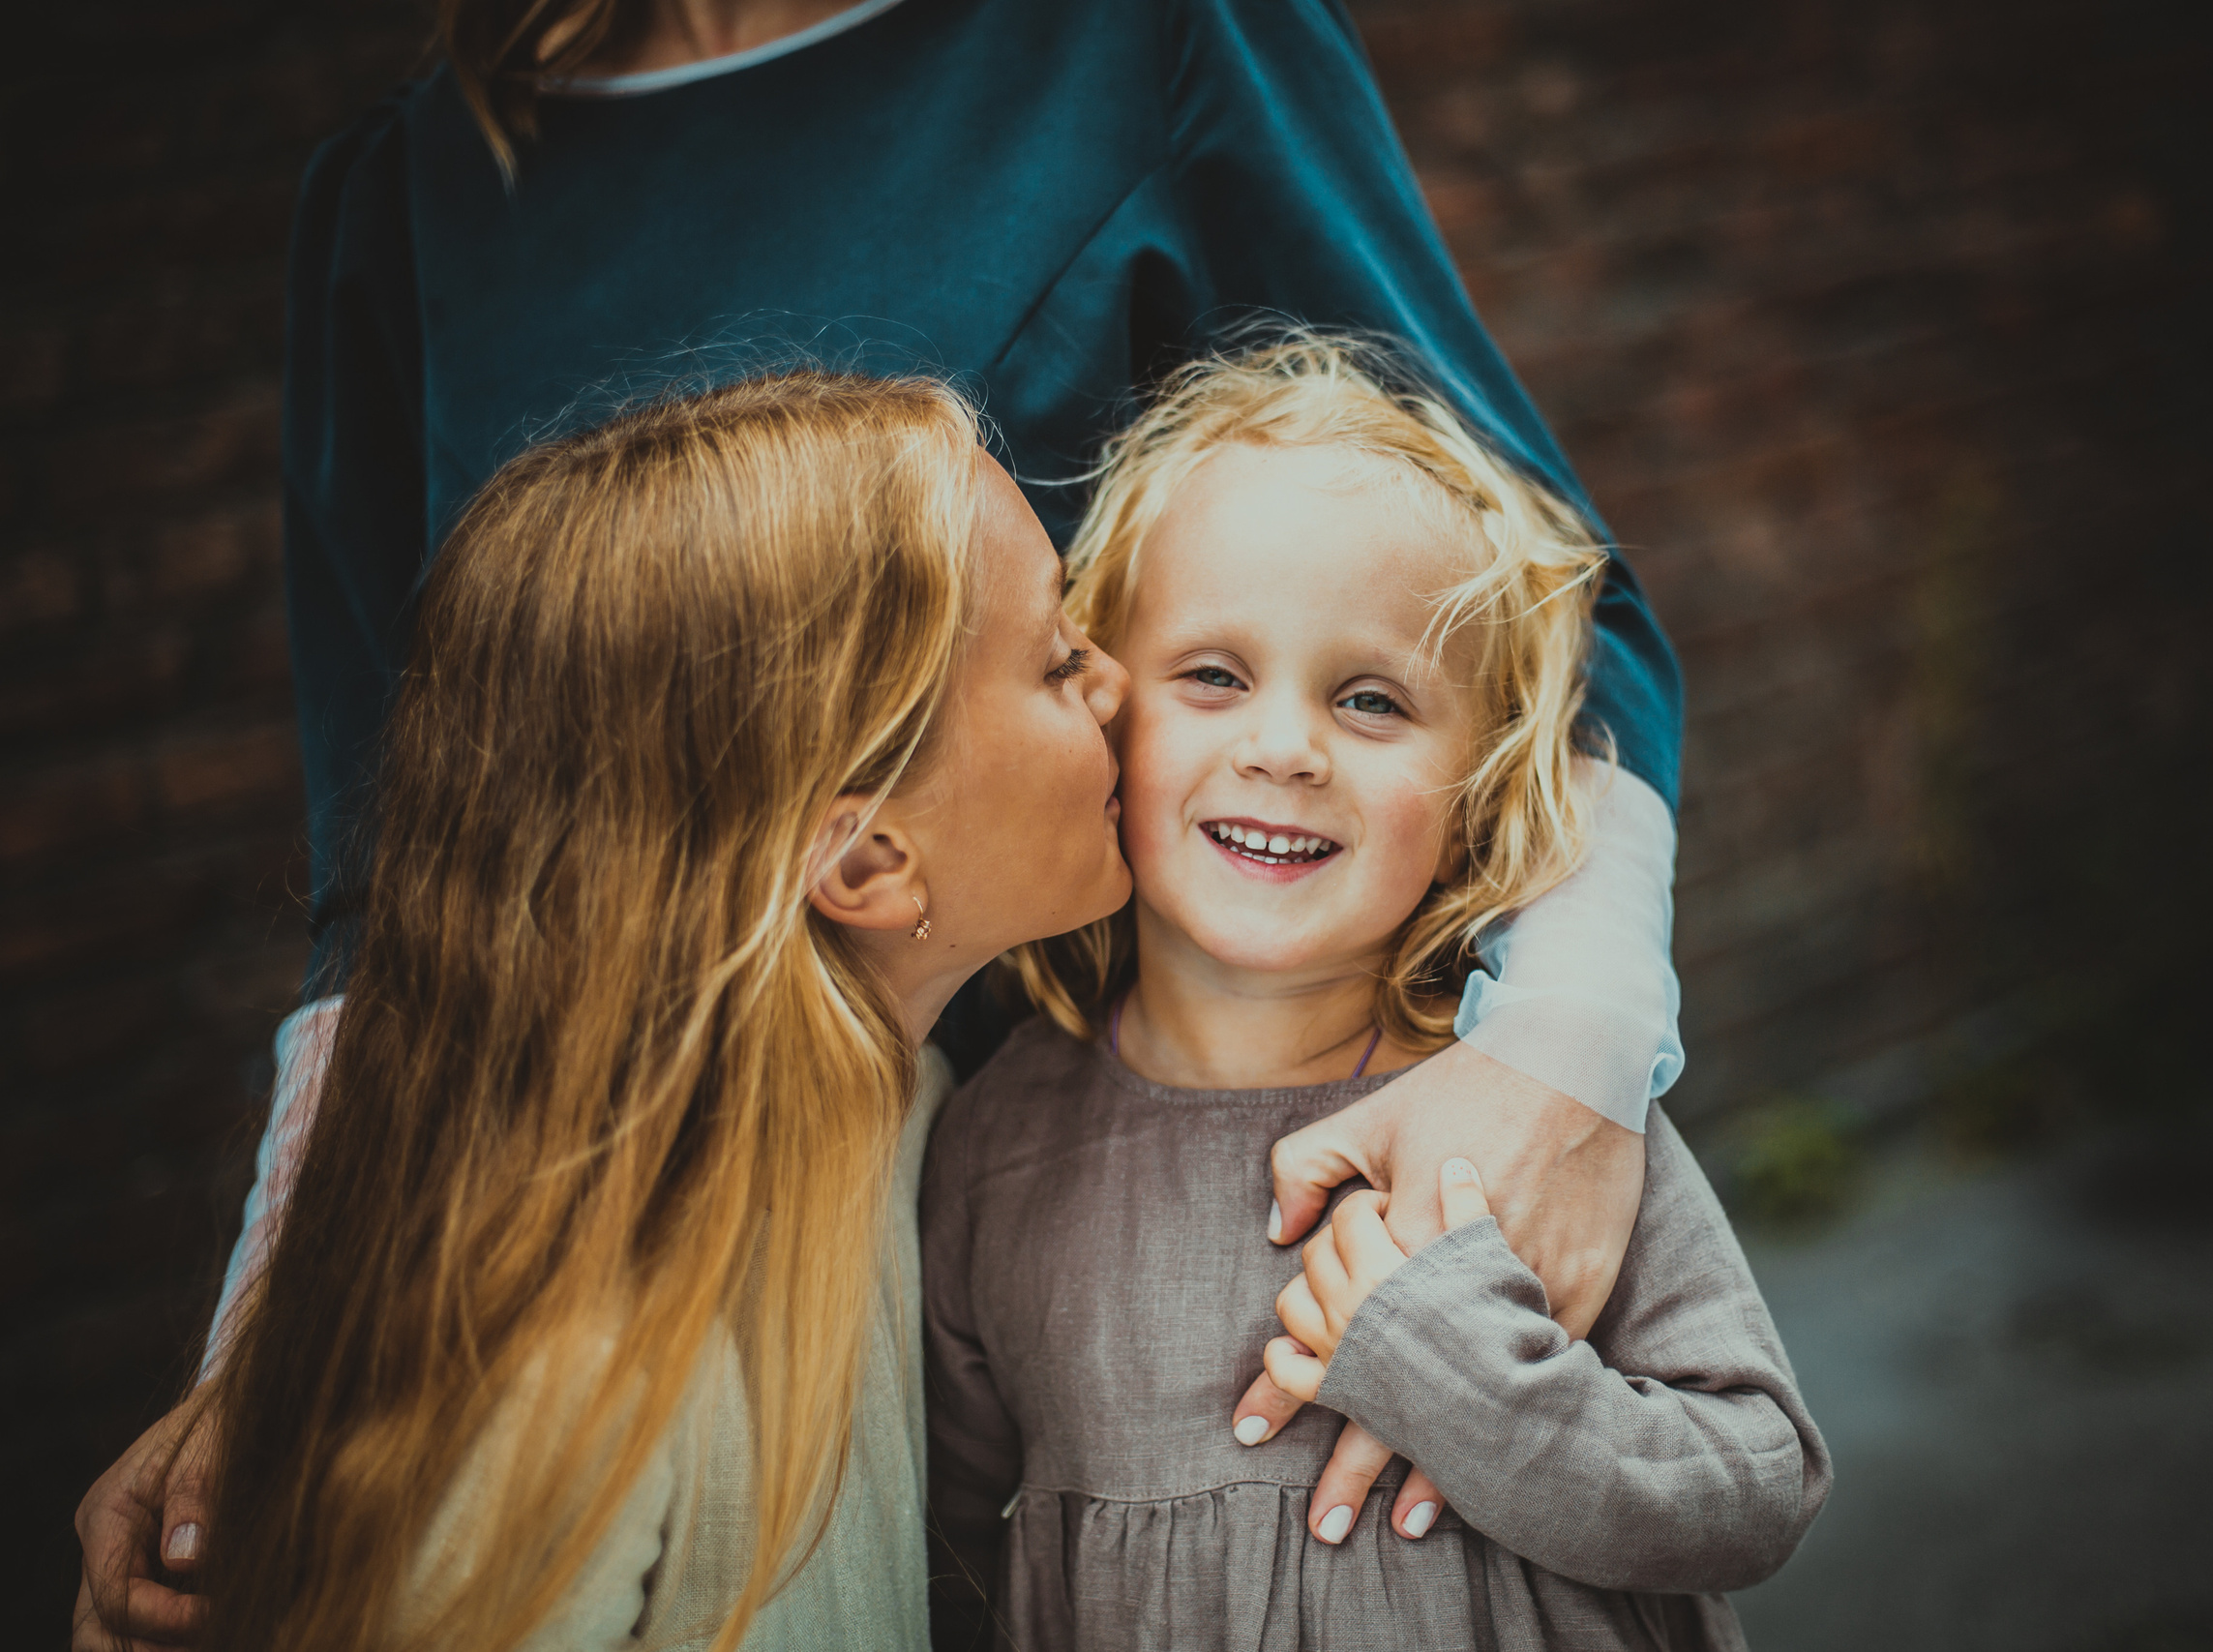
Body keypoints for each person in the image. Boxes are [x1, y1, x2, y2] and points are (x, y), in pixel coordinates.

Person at [77, 1, 1690, 1641]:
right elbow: (390, 879)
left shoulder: (1154, 43)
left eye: (1093, 648)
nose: (1123, 698)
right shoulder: (398, 198)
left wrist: (1564, 1062)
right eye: (1074, 666)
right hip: (618, 1232)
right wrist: (290, 1328)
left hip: (1093, 1114)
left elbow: (1546, 610)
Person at [197, 370, 1135, 1651]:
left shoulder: (913, 1111)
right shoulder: (558, 1372)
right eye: (1057, 659)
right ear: (864, 864)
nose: (1119, 687)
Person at [919, 339, 1827, 1650]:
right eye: (1214, 675)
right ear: (1102, 710)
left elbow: (1755, 1492)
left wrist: (1471, 1377)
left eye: (1370, 699)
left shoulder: (1524, 1121)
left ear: (1477, 795)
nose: (1284, 749)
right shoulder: (997, 1144)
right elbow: (945, 1550)